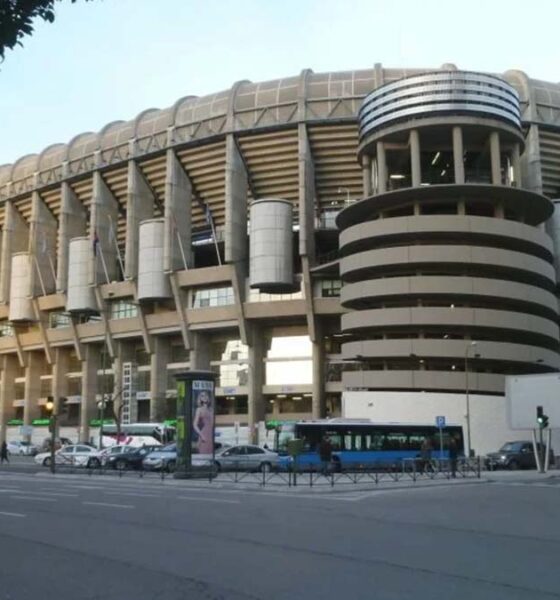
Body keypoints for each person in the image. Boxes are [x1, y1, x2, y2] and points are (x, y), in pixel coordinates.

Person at [193, 390, 214, 455]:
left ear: (208, 397)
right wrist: (201, 435)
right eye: (202, 396)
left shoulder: (211, 409)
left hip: (211, 434)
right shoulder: (199, 409)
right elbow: (194, 424)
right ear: (200, 398)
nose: (204, 397)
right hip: (204, 434)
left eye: (205, 395)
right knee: (204, 453)